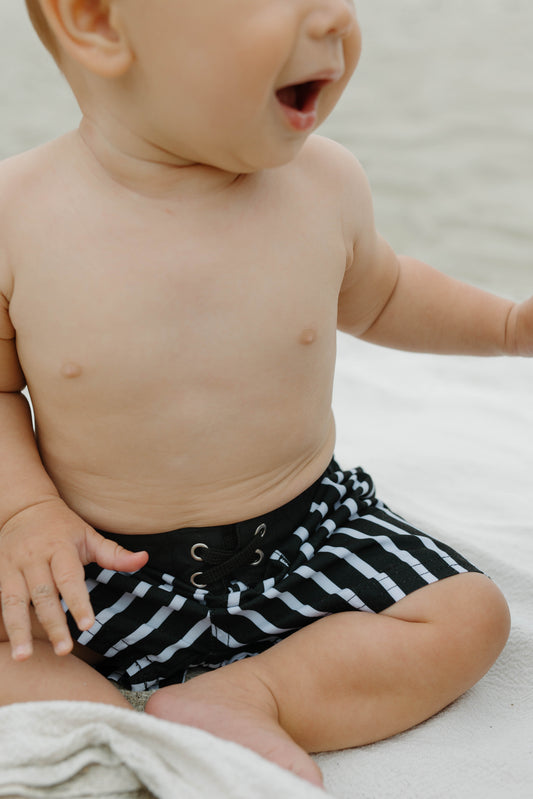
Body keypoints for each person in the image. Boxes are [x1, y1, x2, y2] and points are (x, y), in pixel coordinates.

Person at [0, 0, 527, 787]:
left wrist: (511, 324)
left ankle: (253, 694)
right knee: (14, 639)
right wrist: (24, 511)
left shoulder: (324, 181)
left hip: (306, 538)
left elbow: (382, 294)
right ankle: (98, 719)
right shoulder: (19, 214)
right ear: (98, 23)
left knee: (467, 616)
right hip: (94, 560)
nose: (335, 17)